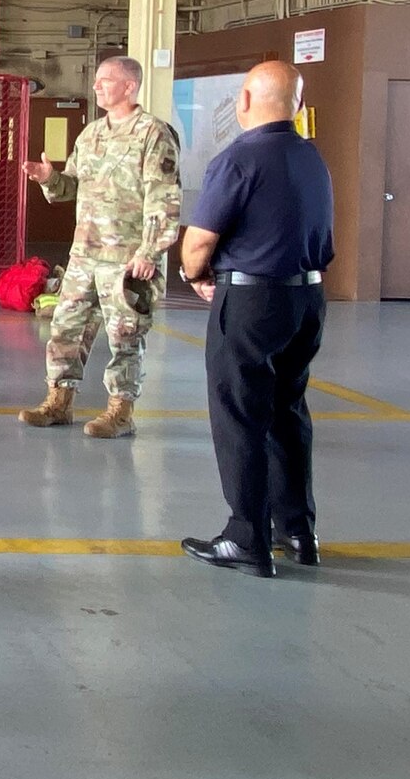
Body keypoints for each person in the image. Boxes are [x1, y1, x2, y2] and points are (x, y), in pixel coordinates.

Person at [178, 61, 335, 579]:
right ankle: (298, 530)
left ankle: (247, 538)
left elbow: (200, 239)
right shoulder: (311, 157)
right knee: (288, 410)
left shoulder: (240, 158)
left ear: (244, 100)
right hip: (307, 299)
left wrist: (194, 273)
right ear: (297, 103)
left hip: (252, 302)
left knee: (241, 413)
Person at [17, 56, 182, 439]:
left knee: (125, 335)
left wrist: (149, 252)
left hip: (126, 260)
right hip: (84, 255)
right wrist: (50, 178)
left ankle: (120, 412)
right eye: (98, 80)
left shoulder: (152, 134)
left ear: (130, 86)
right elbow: (71, 188)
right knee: (65, 329)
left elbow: (164, 199)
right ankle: (59, 402)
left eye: (106, 80)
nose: (97, 86)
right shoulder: (90, 134)